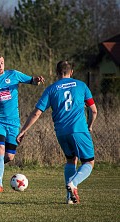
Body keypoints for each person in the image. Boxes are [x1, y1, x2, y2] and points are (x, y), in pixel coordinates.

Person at [17, 60, 97, 204]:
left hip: (61, 132)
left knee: (71, 160)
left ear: (56, 73)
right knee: (89, 162)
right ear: (71, 72)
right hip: (79, 129)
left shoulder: (51, 89)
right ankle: (73, 183)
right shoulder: (81, 85)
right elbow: (94, 110)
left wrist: (23, 131)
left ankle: (69, 198)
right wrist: (89, 125)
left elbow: (36, 113)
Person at [0, 52, 45, 192]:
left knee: (9, 156)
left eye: (1, 62)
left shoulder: (13, 74)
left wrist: (37, 80)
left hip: (14, 123)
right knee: (0, 151)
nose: (0, 65)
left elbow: (31, 80)